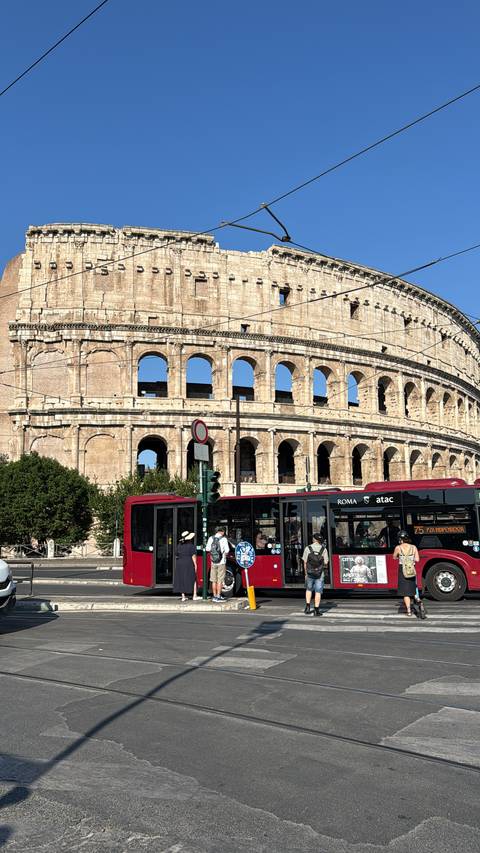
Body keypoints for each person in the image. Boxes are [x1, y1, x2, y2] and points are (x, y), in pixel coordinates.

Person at [394, 531, 420, 616]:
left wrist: (400, 556)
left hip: (403, 570)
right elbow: (417, 560)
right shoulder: (414, 547)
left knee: (405, 592)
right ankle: (417, 598)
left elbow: (394, 557)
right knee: (413, 587)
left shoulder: (398, 548)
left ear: (400, 539)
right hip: (411, 569)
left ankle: (409, 611)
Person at [302, 532, 328, 616]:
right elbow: (326, 562)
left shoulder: (307, 548)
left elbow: (305, 562)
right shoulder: (324, 549)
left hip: (309, 573)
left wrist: (306, 573)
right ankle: (316, 610)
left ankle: (308, 607)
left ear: (314, 539)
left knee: (309, 589)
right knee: (318, 591)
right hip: (320, 573)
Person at [206, 525, 230, 602]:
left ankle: (214, 596)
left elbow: (207, 549)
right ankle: (218, 596)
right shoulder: (224, 539)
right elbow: (227, 550)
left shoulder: (211, 538)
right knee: (220, 580)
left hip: (213, 562)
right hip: (221, 562)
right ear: (222, 531)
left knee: (213, 580)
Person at [173, 531, 196, 603]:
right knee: (193, 578)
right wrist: (195, 565)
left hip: (180, 563)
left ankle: (183, 596)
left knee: (181, 578)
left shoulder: (179, 545)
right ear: (189, 539)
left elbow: (176, 554)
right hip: (188, 562)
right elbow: (193, 557)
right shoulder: (191, 546)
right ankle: (194, 595)